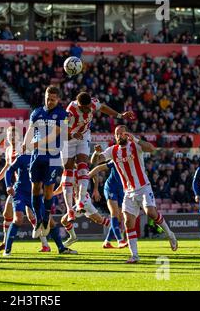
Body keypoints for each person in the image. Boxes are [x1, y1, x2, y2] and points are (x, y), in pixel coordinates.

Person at [89, 125, 177, 263]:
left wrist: (135, 139)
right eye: (117, 134)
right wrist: (96, 153)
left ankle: (170, 234)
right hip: (128, 192)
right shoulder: (113, 150)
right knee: (128, 222)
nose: (119, 136)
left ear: (127, 134)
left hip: (143, 187)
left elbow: (151, 149)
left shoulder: (135, 146)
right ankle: (134, 255)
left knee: (151, 213)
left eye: (122, 133)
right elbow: (95, 161)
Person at [61, 91, 134, 222]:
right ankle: (69, 210)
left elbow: (104, 107)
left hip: (83, 137)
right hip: (68, 140)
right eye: (86, 108)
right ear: (79, 105)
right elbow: (60, 132)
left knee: (84, 166)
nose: (90, 109)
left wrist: (119, 115)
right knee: (68, 171)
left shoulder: (92, 103)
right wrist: (72, 135)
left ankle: (81, 201)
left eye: (90, 106)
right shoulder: (70, 112)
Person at [0, 126, 50, 252]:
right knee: (9, 213)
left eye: (14, 135)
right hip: (17, 187)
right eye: (9, 135)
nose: (11, 137)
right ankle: (7, 242)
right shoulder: (8, 150)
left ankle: (44, 244)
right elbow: (7, 168)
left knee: (30, 214)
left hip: (27, 186)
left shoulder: (23, 148)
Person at [4, 151, 75, 255]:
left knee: (50, 222)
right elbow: (9, 171)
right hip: (20, 193)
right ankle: (7, 250)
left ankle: (61, 248)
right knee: (18, 218)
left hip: (35, 195)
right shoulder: (22, 157)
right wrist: (8, 185)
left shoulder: (45, 158)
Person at [22, 85, 68, 238]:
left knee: (49, 190)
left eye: (53, 100)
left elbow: (56, 134)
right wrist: (25, 142)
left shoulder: (63, 114)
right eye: (48, 99)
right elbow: (30, 129)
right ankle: (38, 220)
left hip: (53, 157)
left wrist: (37, 143)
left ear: (58, 99)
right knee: (35, 188)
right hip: (37, 156)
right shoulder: (36, 112)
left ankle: (47, 217)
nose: (49, 102)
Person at [53, 169, 110, 247]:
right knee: (100, 220)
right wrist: (52, 194)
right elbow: (61, 187)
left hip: (83, 202)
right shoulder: (65, 174)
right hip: (84, 201)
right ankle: (119, 228)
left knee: (64, 220)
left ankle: (73, 237)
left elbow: (94, 175)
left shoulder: (79, 171)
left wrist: (96, 189)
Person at [87, 155, 128, 249]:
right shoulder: (117, 162)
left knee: (120, 218)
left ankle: (107, 242)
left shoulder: (133, 165)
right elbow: (98, 167)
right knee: (115, 213)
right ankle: (120, 240)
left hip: (122, 190)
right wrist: (87, 176)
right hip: (111, 188)